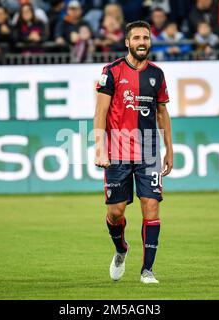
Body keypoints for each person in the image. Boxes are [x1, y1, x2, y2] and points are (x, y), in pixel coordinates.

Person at [94, 20, 173, 284]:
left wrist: (169, 150)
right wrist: (99, 149)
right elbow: (100, 113)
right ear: (127, 42)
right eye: (137, 38)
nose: (142, 42)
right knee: (116, 212)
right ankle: (120, 249)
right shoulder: (112, 71)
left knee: (151, 207)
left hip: (149, 151)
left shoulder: (157, 74)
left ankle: (147, 270)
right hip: (117, 150)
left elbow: (162, 113)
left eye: (146, 38)